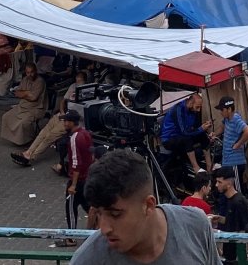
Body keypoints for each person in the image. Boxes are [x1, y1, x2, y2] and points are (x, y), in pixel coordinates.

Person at [69, 149, 217, 265]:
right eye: (99, 214)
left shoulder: (196, 226)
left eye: (115, 214)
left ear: (148, 205)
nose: (104, 228)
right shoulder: (88, 259)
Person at [61, 109, 96, 241]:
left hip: (78, 180)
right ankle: (96, 230)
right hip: (87, 178)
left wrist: (73, 185)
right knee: (87, 205)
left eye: (66, 121)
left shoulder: (74, 138)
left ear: (71, 122)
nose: (64, 123)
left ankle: (71, 237)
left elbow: (76, 163)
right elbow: (91, 154)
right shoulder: (86, 133)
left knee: (70, 207)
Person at [161, 93, 210, 174]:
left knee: (202, 135)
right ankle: (196, 167)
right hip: (169, 139)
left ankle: (209, 165)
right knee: (186, 139)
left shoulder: (193, 111)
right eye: (197, 107)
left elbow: (195, 127)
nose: (198, 110)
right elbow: (184, 132)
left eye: (200, 107)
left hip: (182, 135)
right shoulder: (178, 109)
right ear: (190, 103)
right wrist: (201, 128)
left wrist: (205, 127)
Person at [1, 61, 48, 145]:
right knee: (6, 116)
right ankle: (15, 139)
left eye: (32, 72)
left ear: (35, 71)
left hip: (36, 108)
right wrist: (27, 93)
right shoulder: (25, 79)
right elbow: (17, 93)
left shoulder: (40, 81)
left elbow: (34, 98)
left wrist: (24, 94)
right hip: (23, 106)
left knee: (22, 123)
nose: (29, 75)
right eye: (28, 72)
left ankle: (25, 140)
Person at [217, 98, 248, 189]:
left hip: (235, 162)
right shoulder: (227, 119)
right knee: (228, 187)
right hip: (227, 160)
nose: (221, 112)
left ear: (229, 109)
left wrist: (238, 144)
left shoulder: (236, 119)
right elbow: (222, 127)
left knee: (236, 189)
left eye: (222, 110)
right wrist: (214, 134)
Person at [210, 168, 248, 234]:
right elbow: (232, 221)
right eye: (217, 181)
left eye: (220, 182)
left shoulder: (238, 202)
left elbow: (242, 229)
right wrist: (219, 219)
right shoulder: (227, 199)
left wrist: (219, 233)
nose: (216, 185)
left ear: (229, 184)